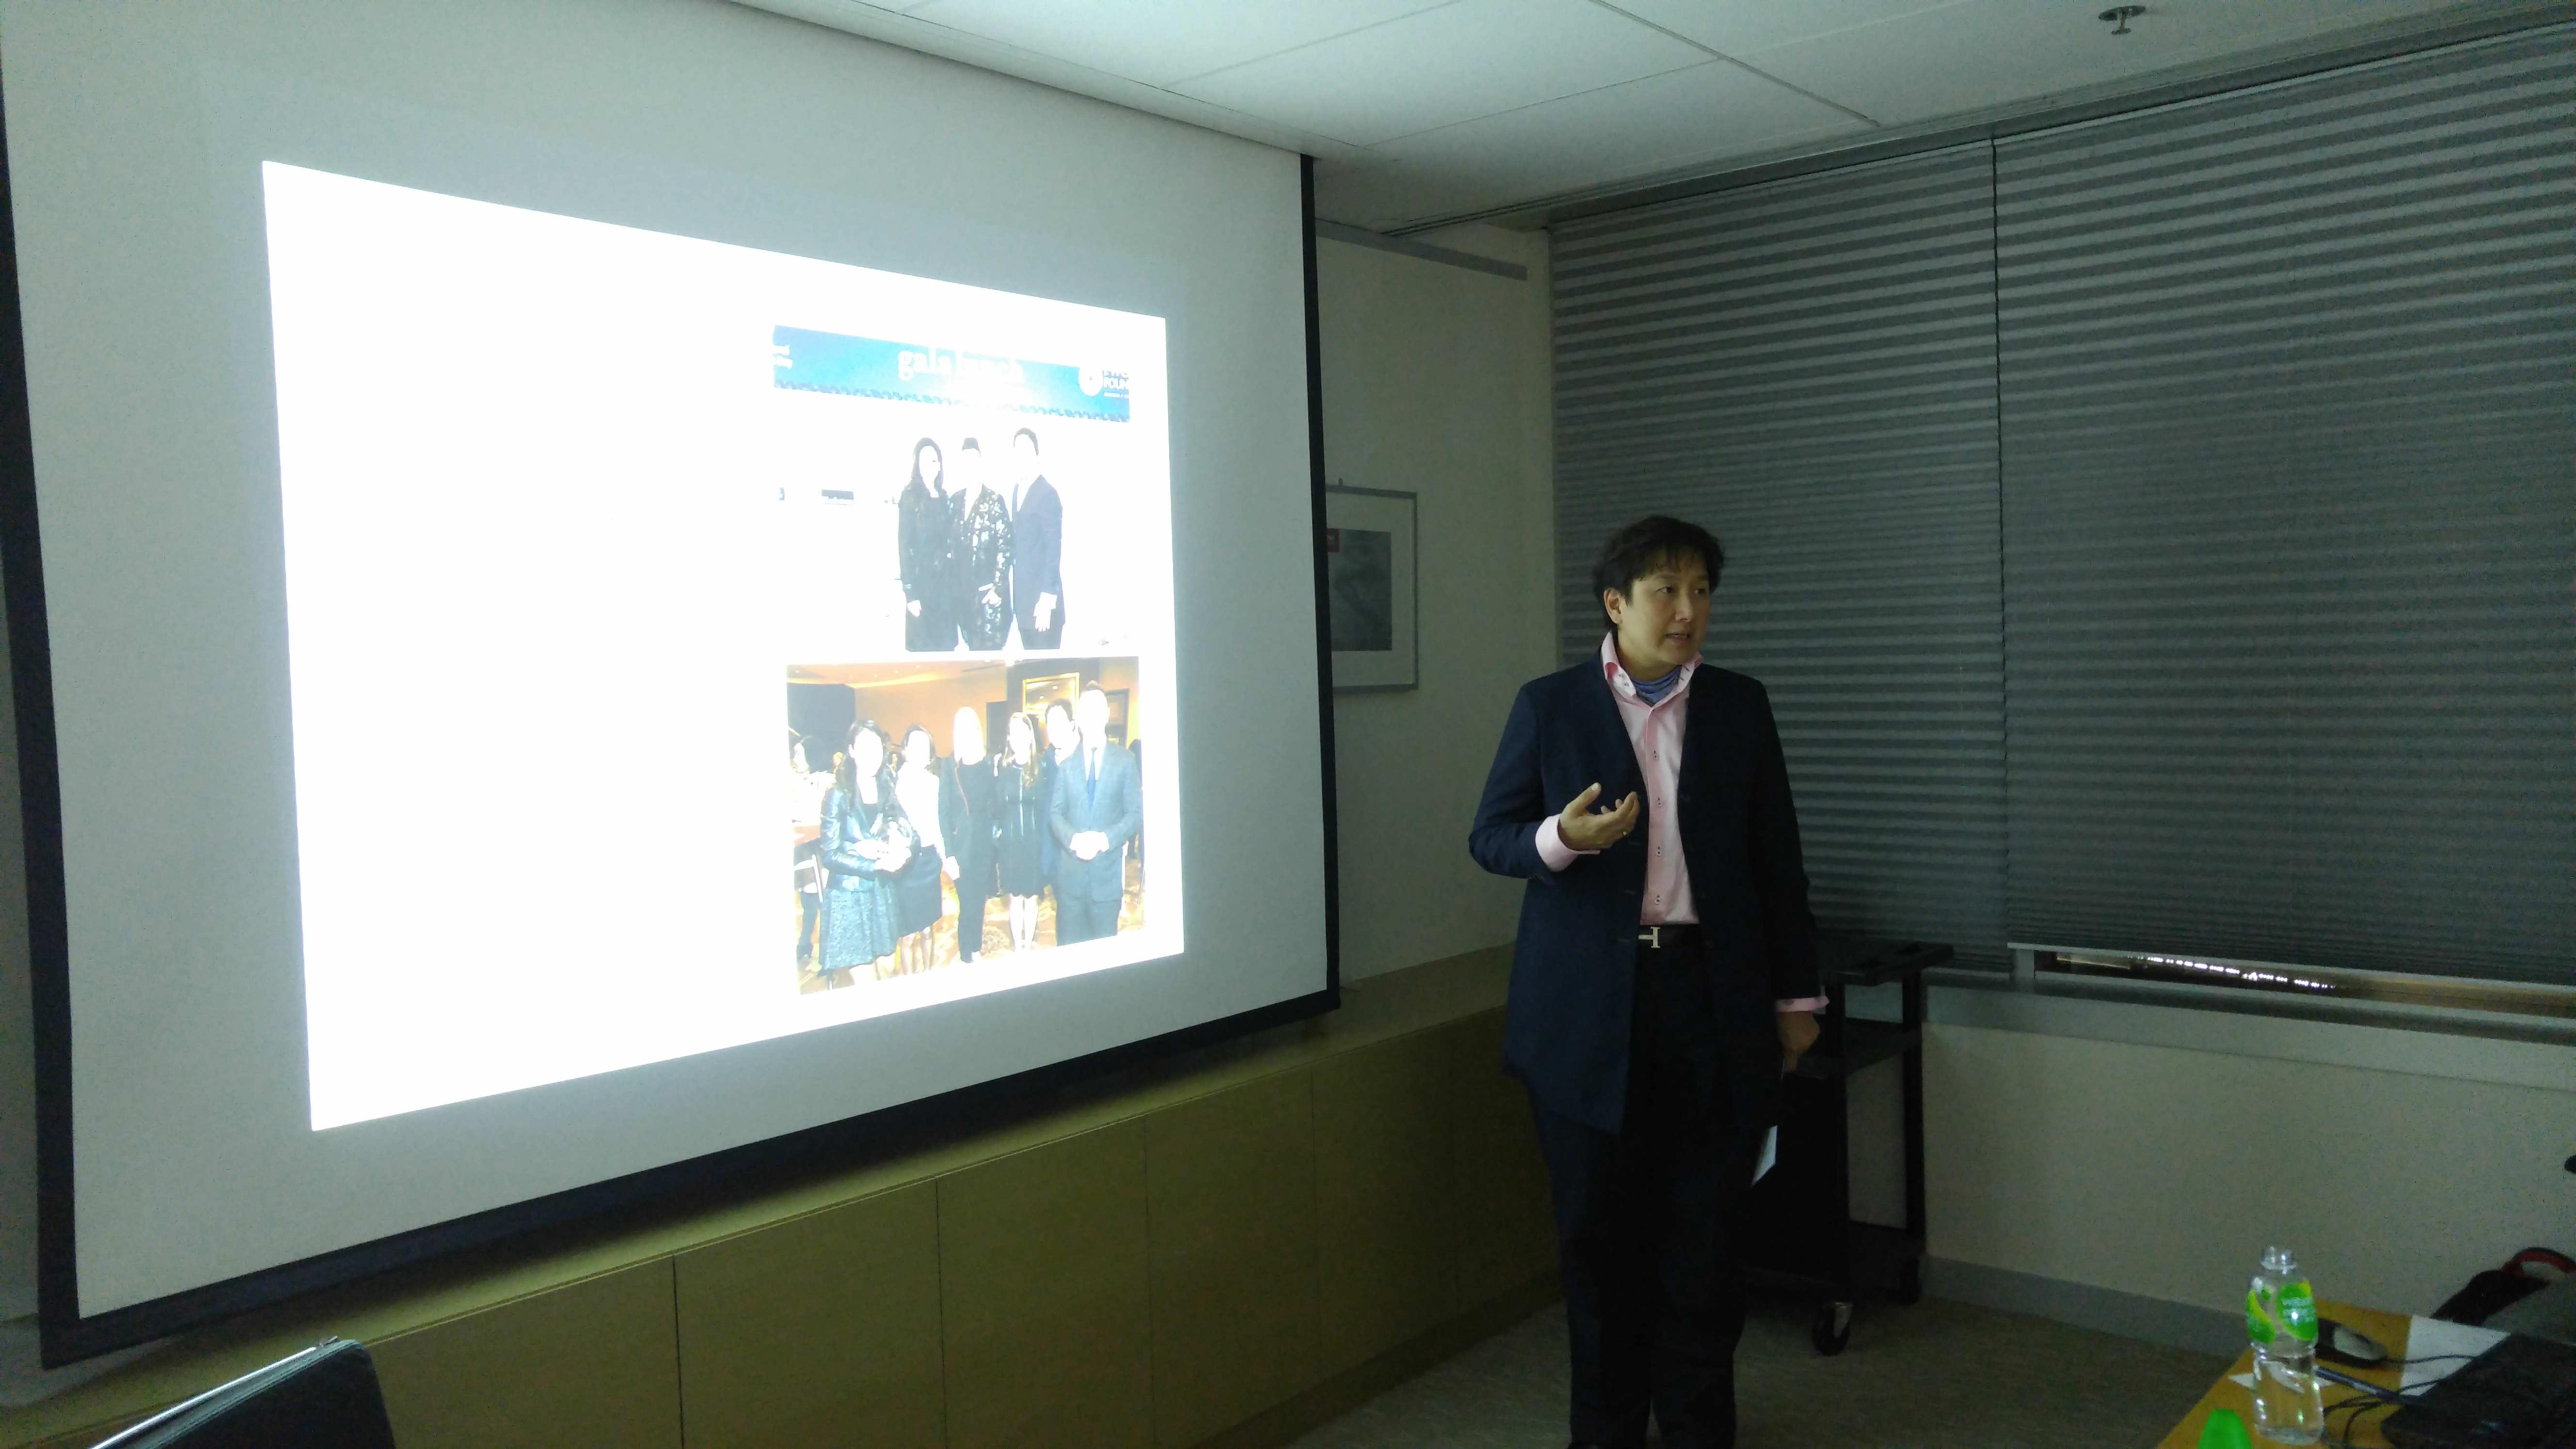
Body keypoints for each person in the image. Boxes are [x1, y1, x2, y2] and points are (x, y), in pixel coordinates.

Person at [1467, 515, 1824, 1449]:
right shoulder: (1550, 705)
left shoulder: (1739, 705)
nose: (1686, 611)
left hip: (1710, 1000)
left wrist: (1796, 1000)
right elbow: (1490, 836)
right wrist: (1561, 838)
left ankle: (1700, 1430)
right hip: (1587, 1013)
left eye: (1700, 590)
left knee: (1704, 1248)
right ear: (1614, 602)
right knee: (1599, 1246)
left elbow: (1776, 858)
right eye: (1666, 590)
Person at [816, 721, 914, 986]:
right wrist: (872, 863)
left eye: (877, 746)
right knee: (868, 987)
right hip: (849, 897)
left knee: (888, 970)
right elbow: (830, 855)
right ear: (852, 751)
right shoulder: (837, 794)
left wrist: (904, 851)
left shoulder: (886, 788)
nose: (872, 753)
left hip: (881, 893)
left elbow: (909, 832)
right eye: (864, 746)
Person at [1048, 685, 1140, 945]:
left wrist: (1103, 839)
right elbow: (1055, 814)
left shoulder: (1125, 760)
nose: (1090, 716)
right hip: (1071, 885)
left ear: (1107, 714)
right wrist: (1074, 840)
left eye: (1096, 709)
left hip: (1106, 884)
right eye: (1085, 710)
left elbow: (1135, 814)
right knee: (1069, 956)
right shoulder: (1067, 766)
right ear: (1078, 718)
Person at [939, 706, 1000, 964]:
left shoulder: (988, 764)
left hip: (985, 845)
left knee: (980, 901)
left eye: (972, 728)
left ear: (978, 731)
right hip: (961, 848)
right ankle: (968, 956)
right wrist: (948, 855)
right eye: (962, 729)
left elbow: (996, 805)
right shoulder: (949, 767)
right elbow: (943, 813)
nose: (967, 734)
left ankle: (974, 948)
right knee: (967, 904)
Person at [890, 724, 947, 973]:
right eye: (914, 744)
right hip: (906, 864)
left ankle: (928, 974)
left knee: (927, 929)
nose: (919, 750)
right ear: (905, 751)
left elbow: (939, 824)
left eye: (924, 746)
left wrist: (945, 858)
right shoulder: (895, 784)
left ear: (929, 755)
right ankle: (909, 983)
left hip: (929, 862)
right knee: (907, 935)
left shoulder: (936, 783)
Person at [949, 438, 1014, 651]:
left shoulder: (995, 501)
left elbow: (1006, 547)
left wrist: (998, 589)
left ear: (982, 466)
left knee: (989, 660)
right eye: (967, 464)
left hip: (989, 600)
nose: (971, 469)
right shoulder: (955, 502)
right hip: (964, 599)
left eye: (976, 463)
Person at [993, 710, 1048, 953]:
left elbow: (1046, 810)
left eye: (1022, 731)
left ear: (1030, 735)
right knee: (1015, 899)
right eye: (1013, 732)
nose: (1017, 737)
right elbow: (996, 809)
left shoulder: (1042, 767)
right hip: (1011, 846)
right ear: (1009, 738)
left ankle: (1028, 946)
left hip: (1035, 845)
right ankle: (1019, 948)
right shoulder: (1003, 769)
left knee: (1032, 899)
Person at [897, 437, 956, 653]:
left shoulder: (945, 499)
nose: (929, 466)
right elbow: (904, 547)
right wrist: (910, 595)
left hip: (944, 590)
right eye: (924, 461)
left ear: (939, 465)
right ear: (917, 465)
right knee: (923, 654)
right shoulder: (909, 497)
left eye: (934, 461)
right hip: (921, 590)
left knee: (946, 653)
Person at [1008, 427, 1063, 649]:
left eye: (1027, 451)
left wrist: (1047, 598)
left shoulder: (1048, 493)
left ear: (1037, 456)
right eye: (1018, 451)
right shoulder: (1016, 491)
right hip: (1023, 605)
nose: (1022, 456)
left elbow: (1053, 548)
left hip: (1044, 608)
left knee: (1047, 666)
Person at [789, 734, 832, 968]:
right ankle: (805, 943)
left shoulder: (825, 781)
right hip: (804, 851)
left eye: (799, 753)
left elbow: (820, 815)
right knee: (808, 902)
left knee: (824, 902)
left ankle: (828, 952)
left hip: (820, 852)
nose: (795, 758)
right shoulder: (800, 781)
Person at [1038, 699, 1078, 935]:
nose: (1054, 729)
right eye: (1050, 724)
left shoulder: (1086, 758)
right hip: (1055, 855)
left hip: (1080, 856)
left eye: (1060, 722)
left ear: (1072, 724)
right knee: (1063, 920)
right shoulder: (1046, 762)